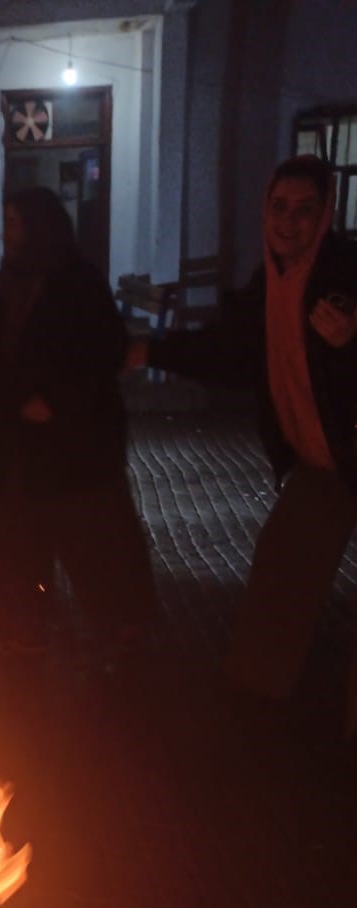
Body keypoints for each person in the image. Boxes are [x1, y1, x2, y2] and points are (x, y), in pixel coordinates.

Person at [136, 154, 357, 709]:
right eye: (279, 208)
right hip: (323, 466)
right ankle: (254, 701)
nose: (289, 222)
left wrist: (353, 343)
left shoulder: (346, 275)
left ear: (325, 215)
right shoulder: (268, 285)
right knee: (280, 568)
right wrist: (150, 352)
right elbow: (229, 352)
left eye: (304, 210)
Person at [0, 187, 155, 654]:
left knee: (96, 557)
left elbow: (100, 357)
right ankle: (24, 642)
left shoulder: (78, 284)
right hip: (22, 456)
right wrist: (4, 404)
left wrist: (58, 402)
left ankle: (122, 655)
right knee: (19, 562)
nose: (5, 234)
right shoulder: (13, 286)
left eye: (14, 223)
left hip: (76, 458)